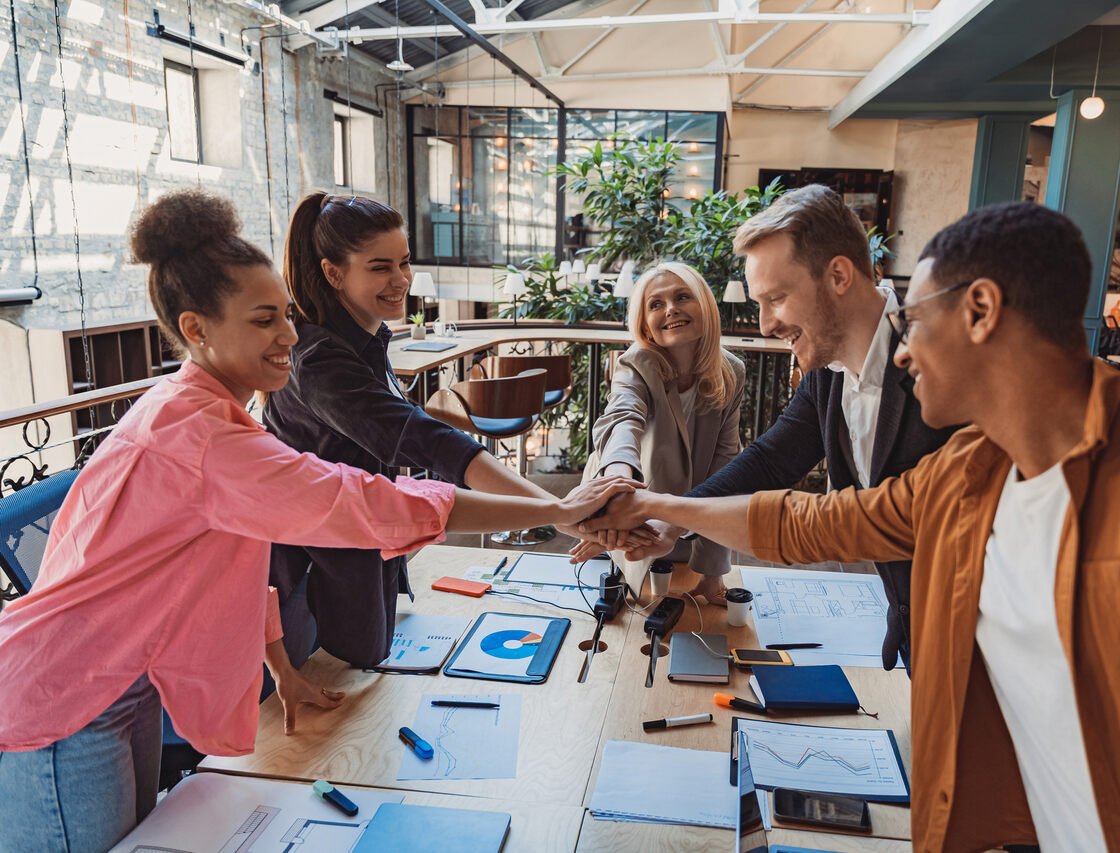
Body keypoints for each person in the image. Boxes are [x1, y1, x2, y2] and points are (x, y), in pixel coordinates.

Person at [581, 202, 1120, 851]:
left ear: (980, 310)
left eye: (913, 319)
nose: (903, 352)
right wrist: (657, 510)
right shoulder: (965, 470)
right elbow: (805, 521)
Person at [0, 190, 634, 852]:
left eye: (287, 315)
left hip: (118, 681)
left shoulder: (202, 410)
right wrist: (556, 508)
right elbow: (364, 500)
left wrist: (281, 665)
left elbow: (226, 559)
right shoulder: (202, 435)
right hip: (67, 694)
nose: (291, 336)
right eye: (266, 320)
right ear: (197, 329)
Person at [586, 185, 953, 667]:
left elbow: (844, 523)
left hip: (973, 630)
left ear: (839, 275)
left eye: (776, 298)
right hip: (916, 635)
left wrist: (663, 508)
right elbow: (771, 460)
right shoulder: (828, 373)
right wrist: (671, 521)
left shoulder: (941, 366)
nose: (764, 325)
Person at [266, 192, 635, 668]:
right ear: (333, 272)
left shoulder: (364, 337)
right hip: (314, 564)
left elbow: (427, 442)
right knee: (313, 696)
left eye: (404, 262)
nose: (400, 280)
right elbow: (431, 442)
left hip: (361, 537)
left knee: (360, 672)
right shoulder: (321, 361)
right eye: (379, 267)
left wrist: (560, 512)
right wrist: (560, 512)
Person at [582, 262, 745, 600]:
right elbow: (622, 419)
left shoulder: (731, 372)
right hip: (629, 521)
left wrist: (712, 573)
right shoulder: (636, 362)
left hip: (689, 525)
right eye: (656, 304)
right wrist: (617, 485)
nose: (671, 309)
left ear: (705, 306)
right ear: (645, 324)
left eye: (682, 297)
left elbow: (725, 467)